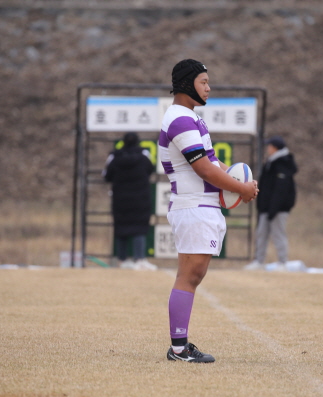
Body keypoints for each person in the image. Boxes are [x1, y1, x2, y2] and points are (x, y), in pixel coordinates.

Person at [159, 59, 259, 363]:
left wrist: (241, 183)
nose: (208, 87)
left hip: (198, 206)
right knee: (189, 276)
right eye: (203, 81)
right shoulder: (180, 119)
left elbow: (213, 162)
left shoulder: (189, 117)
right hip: (194, 206)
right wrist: (240, 188)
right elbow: (202, 168)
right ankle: (179, 349)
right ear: (187, 84)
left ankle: (179, 346)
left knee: (192, 275)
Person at [103, 132, 158, 271]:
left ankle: (122, 260)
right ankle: (140, 259)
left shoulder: (114, 156)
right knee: (139, 227)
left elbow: (107, 176)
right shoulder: (144, 155)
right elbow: (150, 170)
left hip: (120, 198)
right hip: (141, 198)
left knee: (121, 227)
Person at [243, 135, 298, 271]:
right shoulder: (271, 162)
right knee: (261, 234)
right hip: (266, 208)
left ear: (275, 148)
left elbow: (281, 190)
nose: (268, 148)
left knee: (278, 234)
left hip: (278, 209)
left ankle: (283, 262)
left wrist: (274, 208)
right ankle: (259, 261)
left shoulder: (283, 163)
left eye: (270, 146)